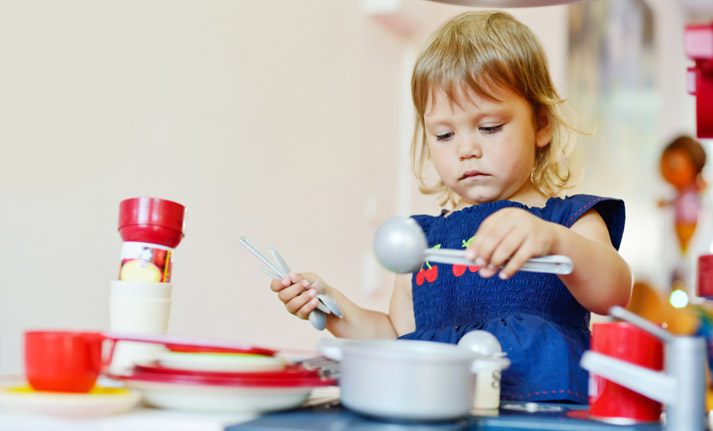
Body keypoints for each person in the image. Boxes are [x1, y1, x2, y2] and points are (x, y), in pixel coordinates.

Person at [270, 10, 632, 404]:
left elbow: (613, 292)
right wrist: (334, 308)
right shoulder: (422, 241)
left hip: (545, 411)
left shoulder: (569, 219)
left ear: (541, 125)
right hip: (439, 410)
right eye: (444, 134)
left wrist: (554, 240)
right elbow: (397, 336)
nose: (466, 149)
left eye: (490, 127)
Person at [658, 134, 707, 255]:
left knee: (691, 250)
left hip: (691, 222)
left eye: (675, 163)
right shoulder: (680, 194)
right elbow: (676, 201)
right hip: (679, 224)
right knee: (681, 252)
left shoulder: (694, 188)